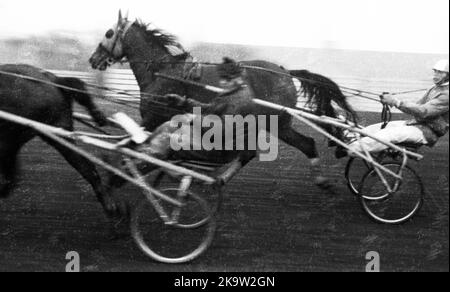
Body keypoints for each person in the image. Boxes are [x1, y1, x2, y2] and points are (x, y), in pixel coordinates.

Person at [348, 59, 449, 154]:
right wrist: (392, 100)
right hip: (415, 124)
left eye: (440, 72)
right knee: (374, 129)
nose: (436, 75)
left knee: (387, 134)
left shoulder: (447, 94)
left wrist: (396, 102)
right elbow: (417, 106)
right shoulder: (434, 88)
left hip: (427, 132)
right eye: (435, 71)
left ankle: (350, 149)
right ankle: (348, 138)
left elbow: (423, 111)